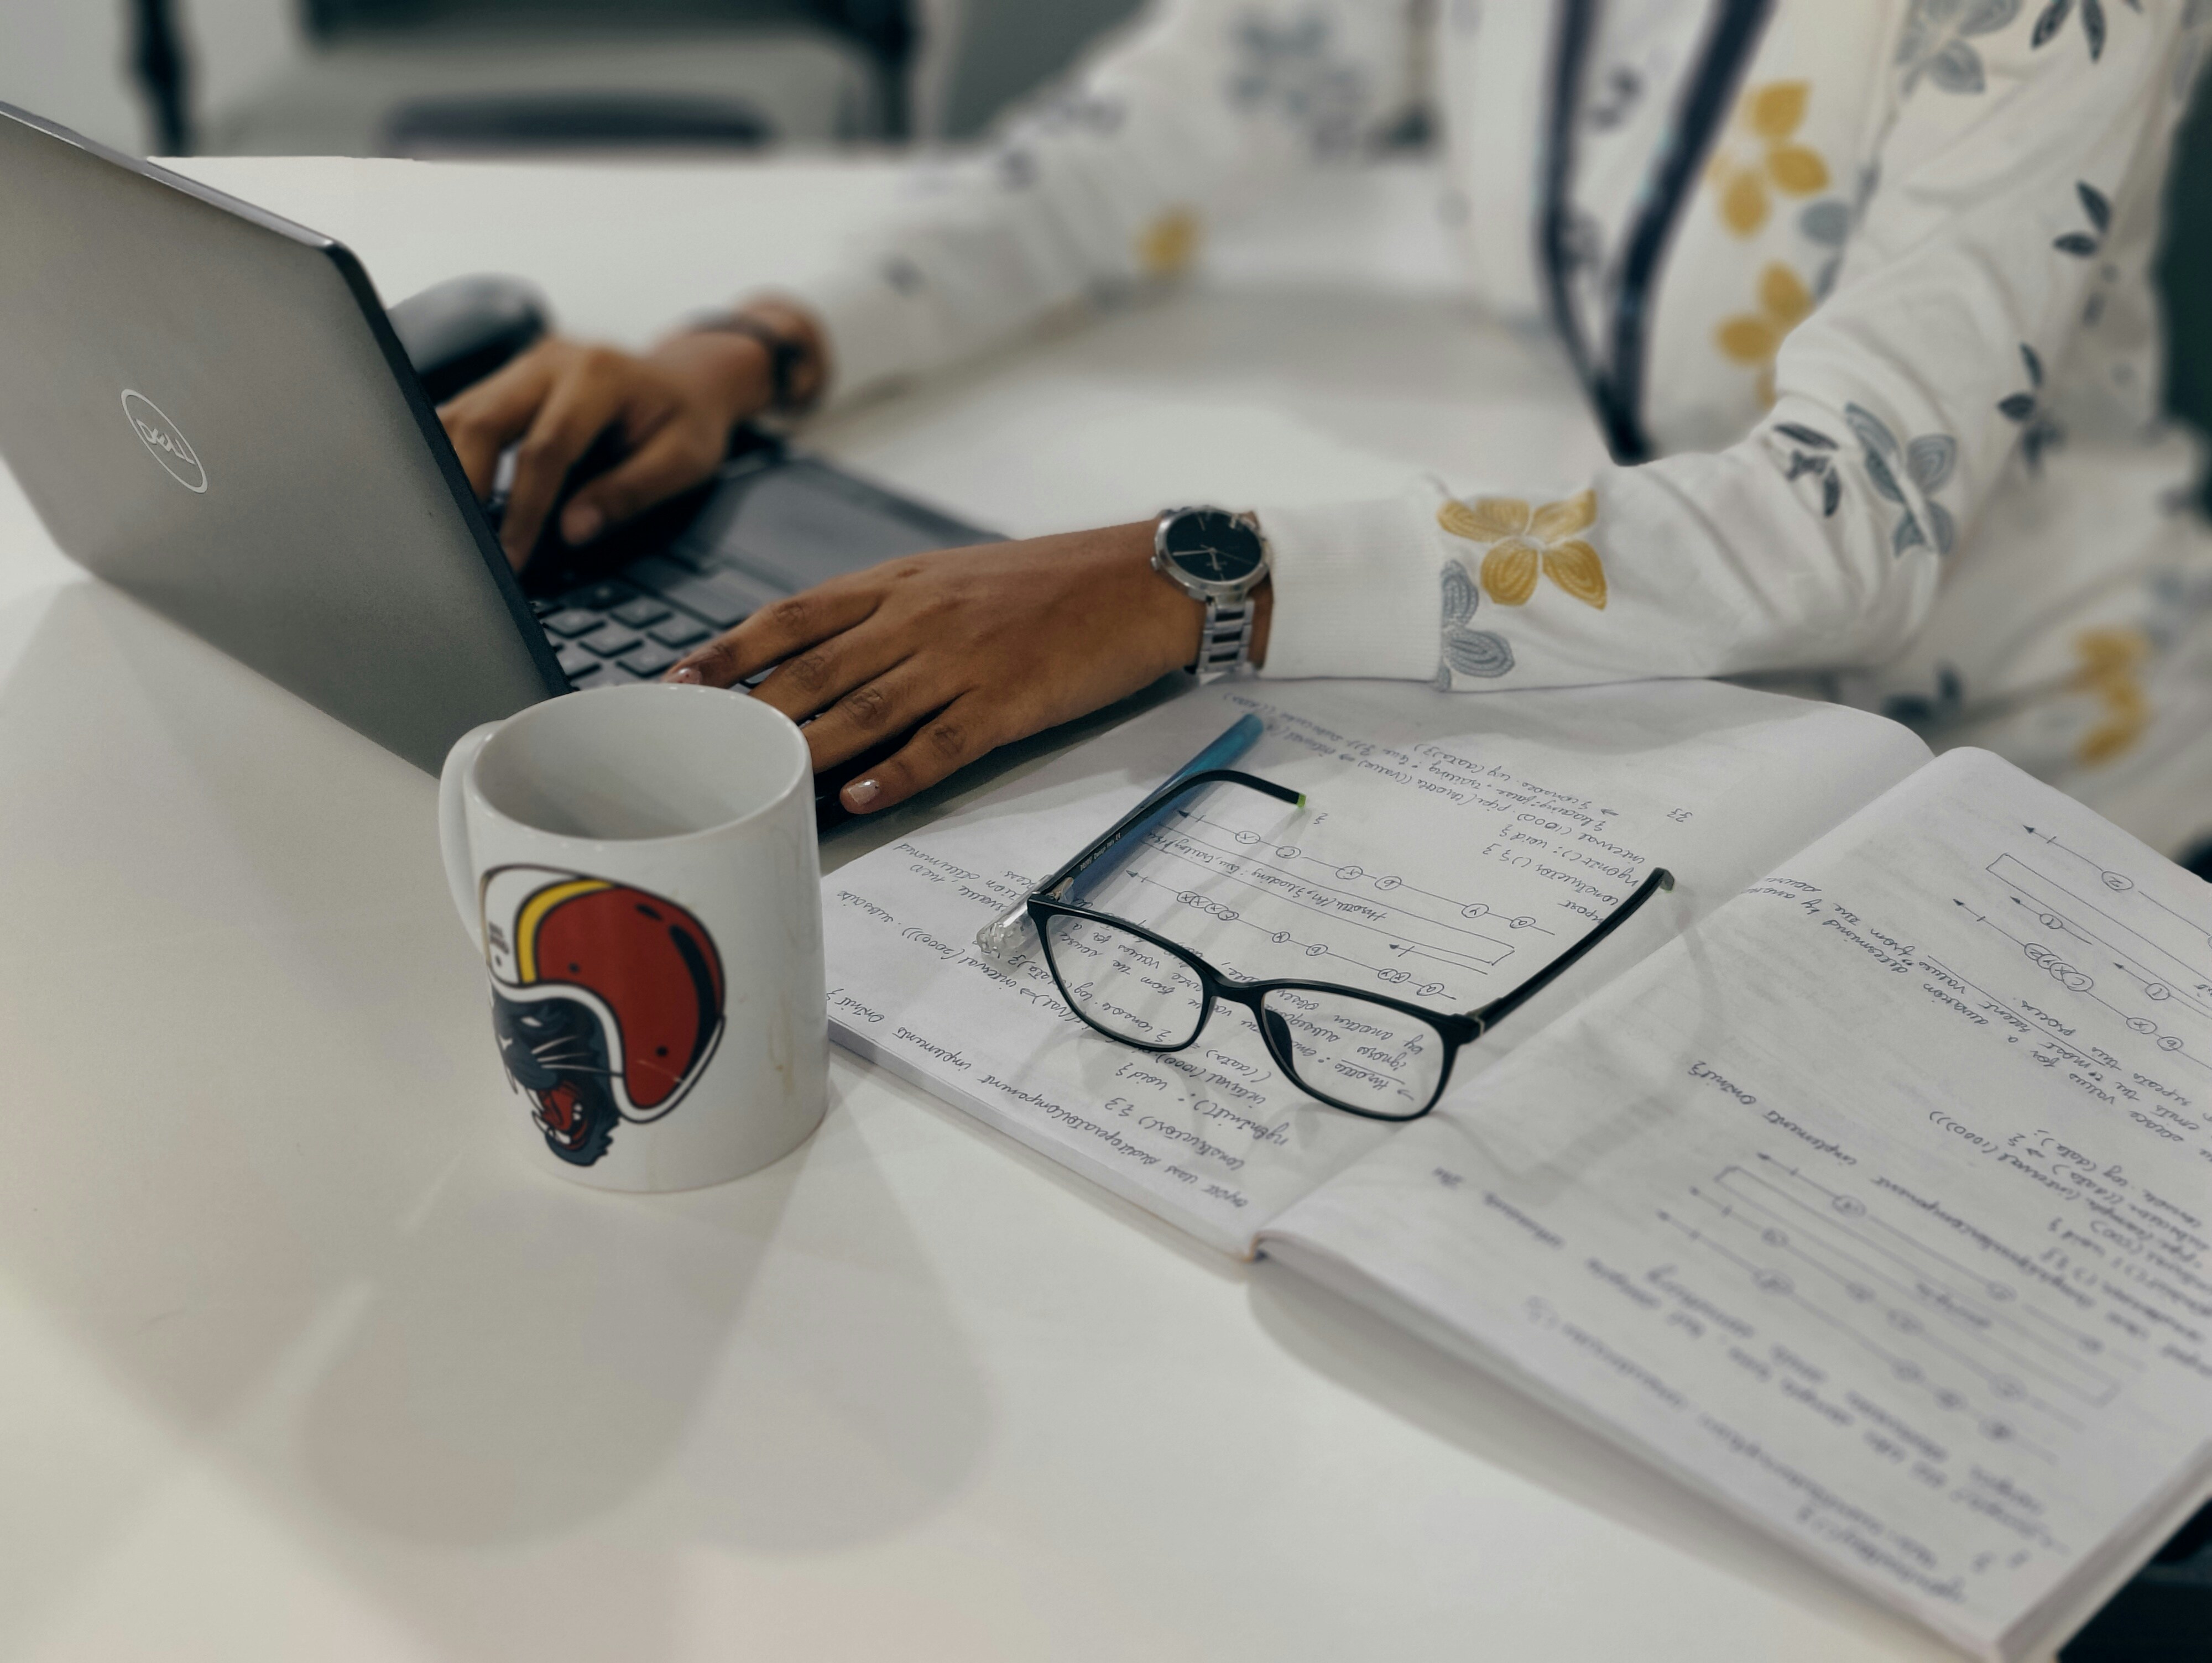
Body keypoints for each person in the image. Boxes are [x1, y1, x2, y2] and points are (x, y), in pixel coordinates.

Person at [439, 0, 2212, 853]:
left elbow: (1848, 526)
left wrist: (1197, 578)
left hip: (2022, 774)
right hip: (1662, 708)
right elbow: (1138, 139)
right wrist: (760, 346)